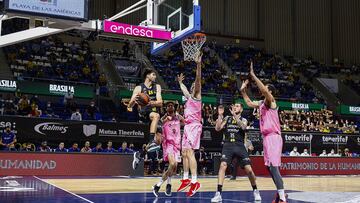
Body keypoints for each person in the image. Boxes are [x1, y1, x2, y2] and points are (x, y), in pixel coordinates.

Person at [241, 61, 287, 203]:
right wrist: (243, 91)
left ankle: (283, 198)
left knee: (274, 167)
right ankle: (280, 195)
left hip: (273, 137)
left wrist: (254, 76)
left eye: (265, 88)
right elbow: (248, 103)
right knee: (269, 168)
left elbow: (265, 92)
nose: (262, 90)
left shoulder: (271, 101)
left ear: (270, 91)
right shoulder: (261, 103)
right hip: (266, 138)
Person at [211, 103, 261, 202]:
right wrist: (220, 116)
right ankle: (218, 193)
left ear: (241, 109)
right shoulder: (227, 118)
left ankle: (256, 191)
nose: (235, 107)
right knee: (223, 165)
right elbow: (217, 128)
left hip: (239, 146)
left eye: (237, 106)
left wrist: (234, 115)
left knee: (249, 170)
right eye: (234, 106)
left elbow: (243, 127)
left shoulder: (244, 119)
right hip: (228, 145)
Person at [176, 53, 202, 197]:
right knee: (184, 152)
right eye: (192, 86)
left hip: (194, 127)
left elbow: (198, 79)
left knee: (190, 152)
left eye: (194, 85)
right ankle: (185, 179)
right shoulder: (189, 97)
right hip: (187, 126)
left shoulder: (197, 96)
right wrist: (180, 82)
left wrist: (198, 64)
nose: (193, 86)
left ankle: (195, 181)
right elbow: (184, 89)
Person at [130, 69, 163, 169]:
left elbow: (160, 102)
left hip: (153, 112)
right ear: (147, 76)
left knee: (159, 141)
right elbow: (131, 104)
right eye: (153, 74)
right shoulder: (139, 88)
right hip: (144, 113)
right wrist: (134, 101)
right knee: (156, 116)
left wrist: (150, 102)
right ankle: (151, 140)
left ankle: (139, 155)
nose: (155, 76)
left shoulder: (157, 86)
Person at [152, 102, 184, 197]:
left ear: (174, 108)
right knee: (172, 163)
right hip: (168, 144)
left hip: (177, 146)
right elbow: (160, 123)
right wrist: (166, 118)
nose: (170, 106)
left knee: (173, 169)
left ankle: (165, 185)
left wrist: (179, 116)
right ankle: (160, 186)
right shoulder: (164, 119)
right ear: (166, 108)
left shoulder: (178, 118)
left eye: (172, 105)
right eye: (168, 106)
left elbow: (185, 122)